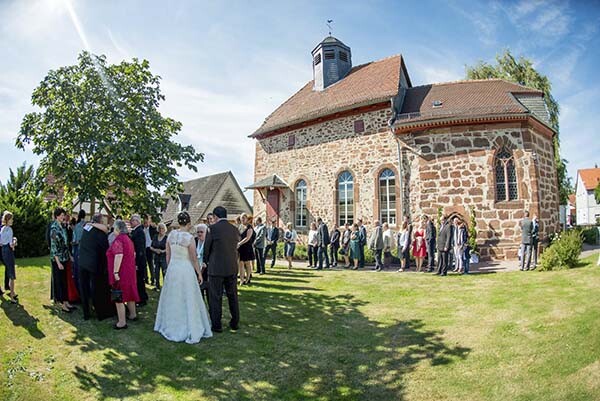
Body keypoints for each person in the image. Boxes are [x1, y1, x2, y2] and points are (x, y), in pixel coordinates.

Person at [154, 211, 212, 343]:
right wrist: (199, 273)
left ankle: (170, 324)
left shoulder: (171, 236)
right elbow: (193, 258)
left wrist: (170, 267)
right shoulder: (189, 238)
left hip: (173, 268)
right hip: (185, 269)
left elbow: (168, 255)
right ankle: (188, 325)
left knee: (173, 296)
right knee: (188, 297)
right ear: (189, 223)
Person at [203, 206, 240, 332]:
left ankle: (216, 325)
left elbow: (207, 248)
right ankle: (235, 321)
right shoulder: (234, 229)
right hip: (232, 266)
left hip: (216, 268)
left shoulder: (212, 229)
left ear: (215, 216)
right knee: (232, 295)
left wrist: (205, 261)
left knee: (215, 297)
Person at [78, 214, 114, 320]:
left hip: (82, 262)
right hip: (94, 264)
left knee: (84, 288)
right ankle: (100, 313)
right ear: (100, 222)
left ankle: (86, 313)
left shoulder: (86, 230)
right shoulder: (101, 234)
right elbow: (105, 251)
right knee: (96, 289)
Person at [107, 220, 139, 330]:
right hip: (129, 271)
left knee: (118, 296)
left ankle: (121, 322)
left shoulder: (118, 240)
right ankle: (133, 314)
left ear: (117, 229)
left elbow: (119, 255)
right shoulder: (128, 239)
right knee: (130, 293)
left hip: (121, 272)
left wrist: (115, 272)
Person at [50, 207, 76, 313]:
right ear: (56, 216)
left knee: (65, 281)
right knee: (60, 282)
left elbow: (66, 243)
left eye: (63, 215)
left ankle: (66, 302)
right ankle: (62, 304)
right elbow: (53, 246)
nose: (63, 216)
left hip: (65, 257)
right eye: (61, 215)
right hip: (58, 259)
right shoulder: (54, 228)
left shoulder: (63, 226)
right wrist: (58, 262)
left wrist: (69, 255)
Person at [130, 214, 148, 306]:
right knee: (138, 280)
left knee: (140, 280)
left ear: (137, 221)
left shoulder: (139, 232)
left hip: (139, 260)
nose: (131, 222)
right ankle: (142, 296)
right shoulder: (136, 231)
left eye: (132, 220)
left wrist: (137, 263)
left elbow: (140, 248)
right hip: (137, 259)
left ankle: (142, 299)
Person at [0, 212, 17, 303]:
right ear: (8, 220)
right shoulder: (9, 229)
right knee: (12, 275)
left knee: (9, 272)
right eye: (11, 219)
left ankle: (12, 293)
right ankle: (12, 297)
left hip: (3, 251)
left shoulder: (2, 229)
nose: (12, 221)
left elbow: (1, 242)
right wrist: (15, 240)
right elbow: (11, 245)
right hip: (9, 251)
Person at [237, 213, 255, 283]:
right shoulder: (240, 226)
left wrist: (239, 243)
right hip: (241, 248)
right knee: (240, 263)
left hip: (247, 247)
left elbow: (247, 238)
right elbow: (238, 235)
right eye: (241, 218)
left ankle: (248, 278)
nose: (242, 220)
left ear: (247, 219)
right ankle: (241, 279)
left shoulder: (249, 227)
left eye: (244, 218)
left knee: (247, 263)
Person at [72, 210, 86, 294]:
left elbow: (74, 240)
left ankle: (77, 291)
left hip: (77, 249)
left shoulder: (76, 226)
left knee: (77, 271)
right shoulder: (87, 225)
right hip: (84, 250)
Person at [150, 223, 168, 290]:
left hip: (164, 257)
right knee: (156, 272)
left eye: (162, 228)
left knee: (164, 272)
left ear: (165, 229)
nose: (161, 230)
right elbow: (151, 247)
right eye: (160, 228)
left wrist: (162, 251)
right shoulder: (155, 237)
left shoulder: (167, 238)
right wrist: (155, 250)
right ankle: (157, 285)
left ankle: (166, 286)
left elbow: (169, 248)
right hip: (156, 257)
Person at [195, 224, 209, 304]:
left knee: (209, 295)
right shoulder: (194, 241)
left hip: (207, 271)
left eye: (201, 232)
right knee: (199, 295)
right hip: (196, 270)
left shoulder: (209, 242)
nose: (199, 234)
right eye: (198, 232)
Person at [144, 216, 158, 286]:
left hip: (150, 248)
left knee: (151, 264)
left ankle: (153, 279)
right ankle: (146, 279)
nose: (145, 223)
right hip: (144, 248)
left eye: (146, 221)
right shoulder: (142, 229)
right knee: (144, 264)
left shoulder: (152, 228)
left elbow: (156, 234)